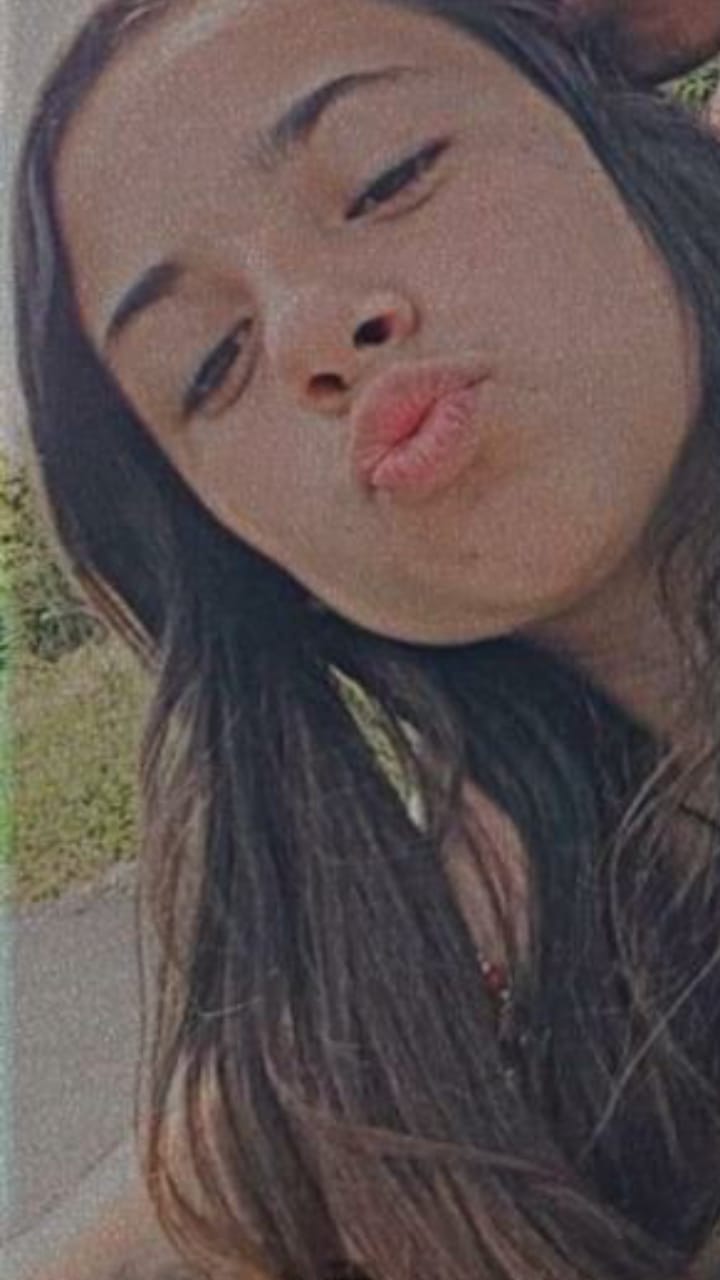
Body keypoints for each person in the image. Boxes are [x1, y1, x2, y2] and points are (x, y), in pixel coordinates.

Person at [11, 0, 720, 1277]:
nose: (307, 331)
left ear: (622, 137)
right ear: (247, 554)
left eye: (392, 175)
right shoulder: (416, 1051)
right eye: (211, 363)